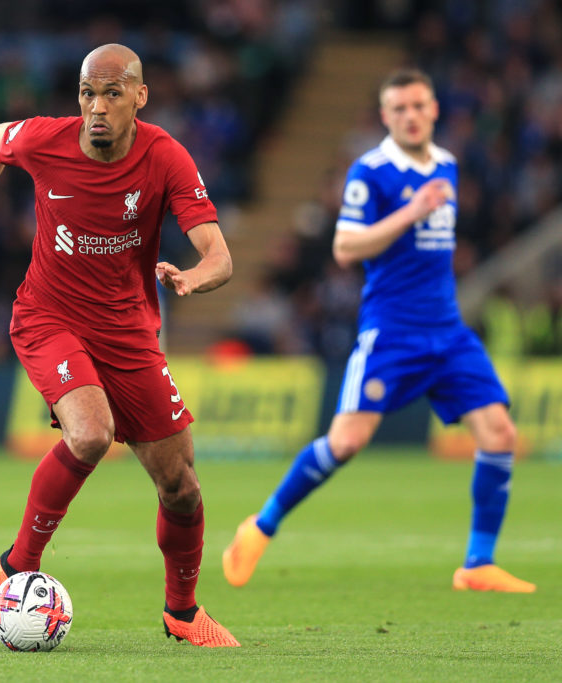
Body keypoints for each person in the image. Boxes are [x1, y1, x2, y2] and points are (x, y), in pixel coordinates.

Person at [0, 44, 239, 647]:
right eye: (86, 94)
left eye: (111, 94)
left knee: (181, 486)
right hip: (48, 317)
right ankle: (17, 565)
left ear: (139, 98)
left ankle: (182, 612)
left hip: (128, 332)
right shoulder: (48, 139)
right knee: (91, 433)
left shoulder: (165, 157)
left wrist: (192, 278)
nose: (96, 108)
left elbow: (220, 257)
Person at [222, 68, 536, 594]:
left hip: (448, 331)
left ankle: (478, 561)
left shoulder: (448, 166)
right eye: (399, 109)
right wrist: (411, 211)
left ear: (434, 109)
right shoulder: (372, 173)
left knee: (500, 433)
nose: (410, 116)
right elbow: (346, 248)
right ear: (386, 116)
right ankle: (260, 526)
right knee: (346, 442)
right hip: (392, 333)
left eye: (418, 106)